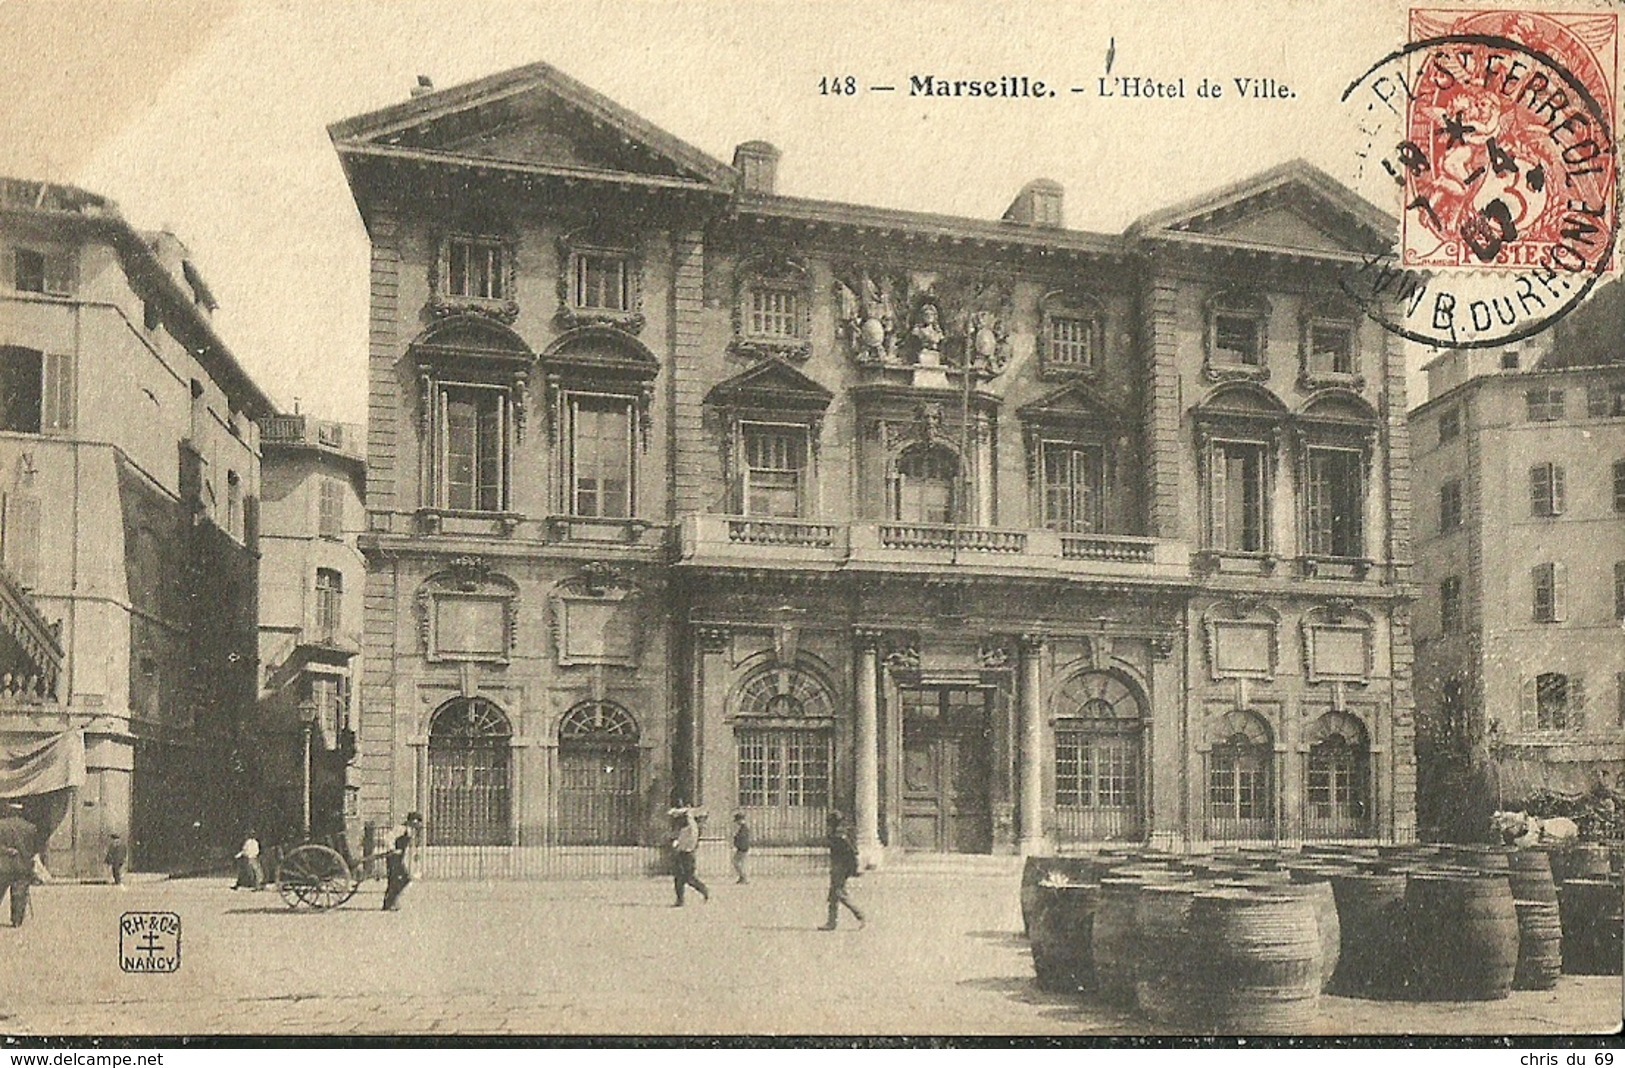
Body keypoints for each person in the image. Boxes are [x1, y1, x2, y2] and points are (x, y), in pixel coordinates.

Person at [821, 810, 865, 931]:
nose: (828, 825)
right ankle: (831, 922)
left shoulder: (840, 836)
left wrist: (854, 869)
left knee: (839, 893)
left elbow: (851, 853)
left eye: (829, 823)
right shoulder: (838, 834)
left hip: (840, 868)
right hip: (837, 867)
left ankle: (860, 915)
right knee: (833, 896)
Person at [0, 802, 39, 928]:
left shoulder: (1, 825)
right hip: (22, 865)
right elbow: (34, 849)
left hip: (3, 865)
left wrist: (7, 851)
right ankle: (17, 920)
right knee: (19, 892)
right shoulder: (31, 828)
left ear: (9, 811)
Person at [667, 803, 709, 906]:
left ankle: (704, 890)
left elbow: (689, 814)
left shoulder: (693, 828)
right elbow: (679, 841)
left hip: (688, 855)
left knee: (689, 878)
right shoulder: (684, 830)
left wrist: (679, 811)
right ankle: (680, 900)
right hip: (681, 854)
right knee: (678, 879)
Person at [382, 812, 423, 911]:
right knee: (397, 879)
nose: (419, 825)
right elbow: (388, 837)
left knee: (401, 879)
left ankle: (391, 902)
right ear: (413, 821)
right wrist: (392, 849)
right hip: (393, 857)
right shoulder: (401, 828)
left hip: (399, 857)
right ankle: (389, 903)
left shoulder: (409, 831)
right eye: (418, 822)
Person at [731, 811, 751, 885]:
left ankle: (744, 877)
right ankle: (742, 877)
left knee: (736, 862)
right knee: (740, 863)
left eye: (737, 820)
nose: (737, 823)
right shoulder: (743, 828)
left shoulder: (744, 828)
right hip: (742, 848)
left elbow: (742, 838)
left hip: (742, 848)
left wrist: (736, 840)